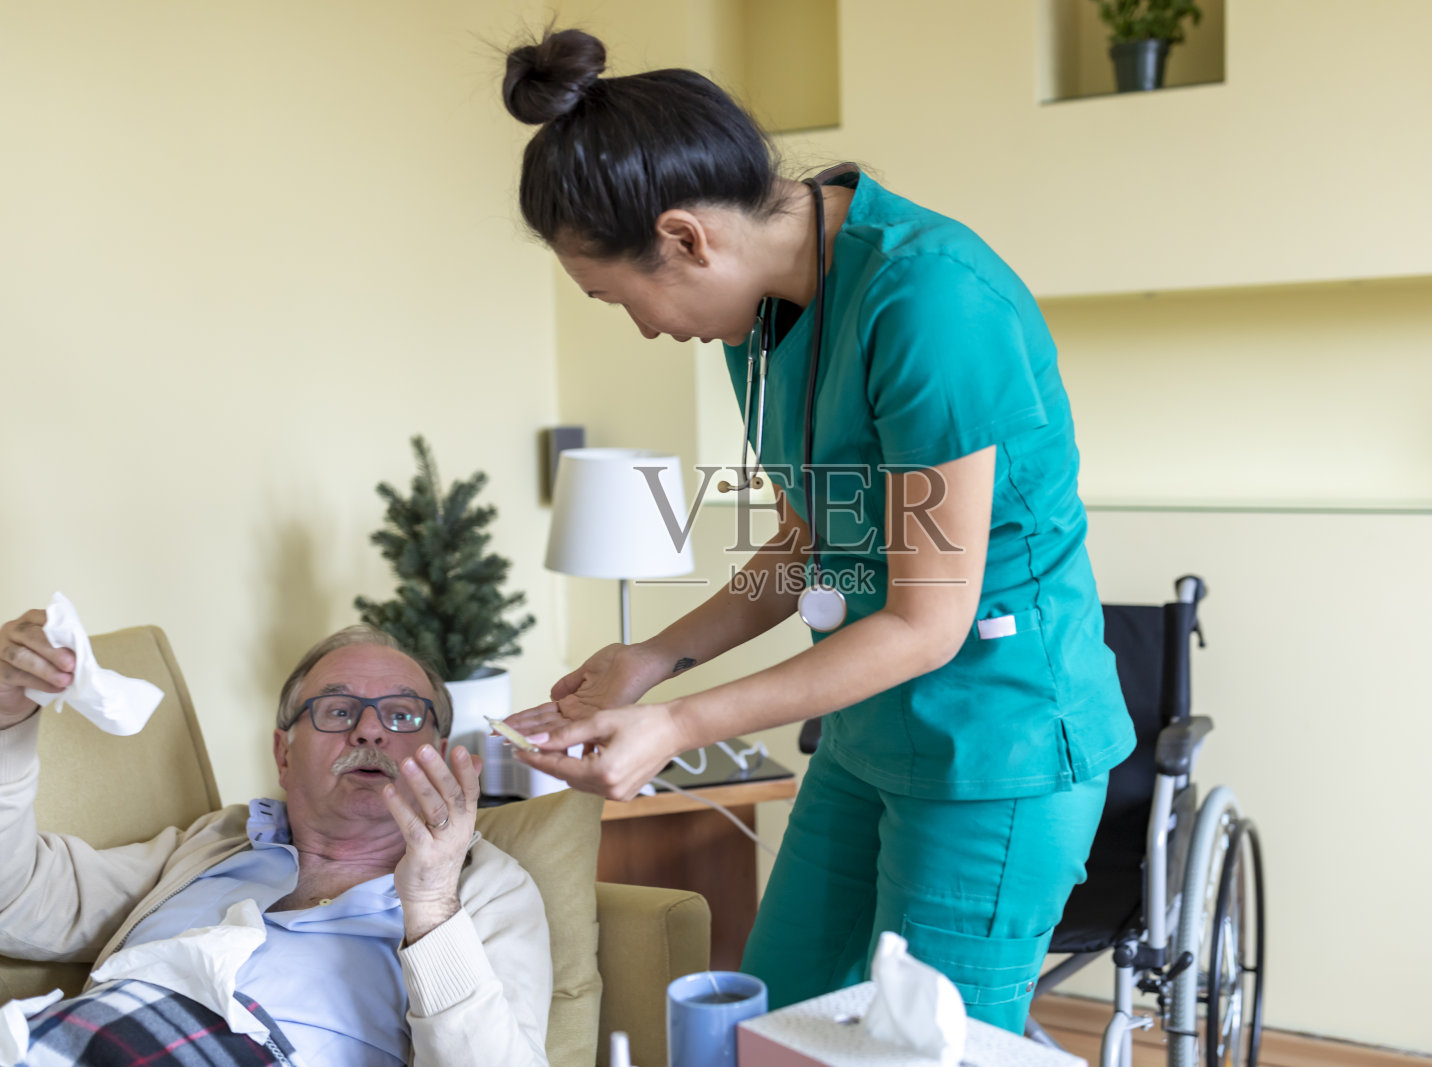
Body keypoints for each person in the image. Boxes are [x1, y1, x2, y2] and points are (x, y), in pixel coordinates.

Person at [497, 28, 1135, 1032]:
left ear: (684, 237)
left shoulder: (930, 302)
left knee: (921, 1048)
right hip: (868, 734)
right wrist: (653, 660)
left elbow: (927, 623)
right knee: (776, 1019)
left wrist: (680, 724)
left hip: (992, 742)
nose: (645, 328)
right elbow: (812, 539)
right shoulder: (760, 315)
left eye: (622, 299)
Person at [0, 611, 551, 1067]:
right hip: (81, 1039)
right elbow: (18, 899)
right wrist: (6, 717)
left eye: (403, 715)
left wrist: (431, 902)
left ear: (441, 750)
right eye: (337, 710)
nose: (369, 730)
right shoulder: (215, 842)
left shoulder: (491, 889)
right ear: (283, 755)